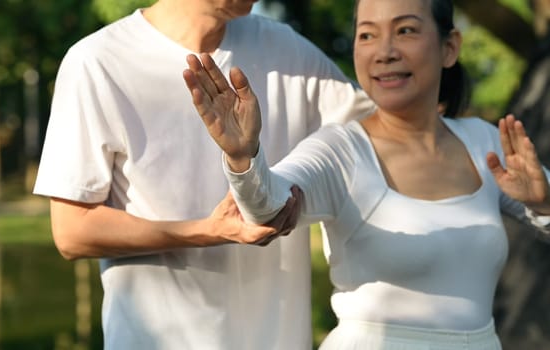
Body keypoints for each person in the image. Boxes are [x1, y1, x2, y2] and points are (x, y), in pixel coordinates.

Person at [182, 0, 550, 348]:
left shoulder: (485, 142)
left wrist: (543, 201)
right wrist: (243, 156)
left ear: (449, 47)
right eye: (367, 35)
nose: (384, 51)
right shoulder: (341, 150)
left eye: (405, 30)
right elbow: (266, 207)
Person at [32, 0, 375, 349]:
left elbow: (384, 130)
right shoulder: (97, 61)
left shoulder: (287, 50)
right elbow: (73, 231)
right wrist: (207, 231)